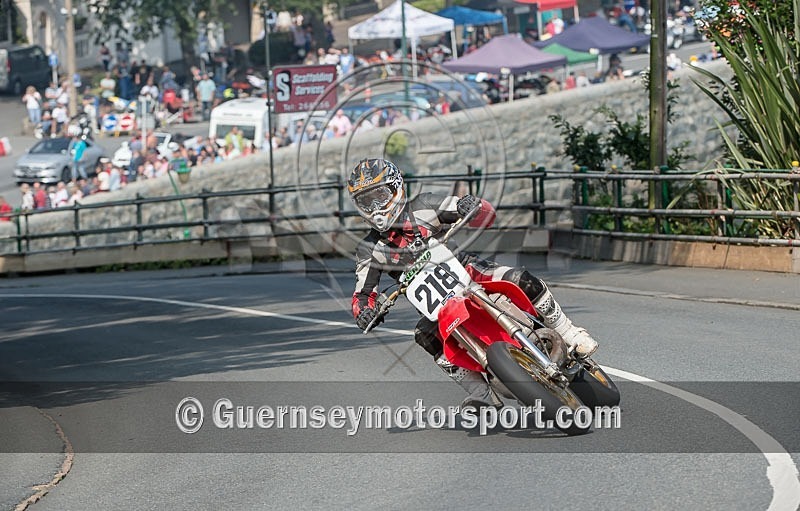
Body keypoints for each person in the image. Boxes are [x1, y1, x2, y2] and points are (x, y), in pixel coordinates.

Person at [347, 158, 599, 408]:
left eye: (380, 196)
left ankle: (568, 333)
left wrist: (470, 205)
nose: (375, 207)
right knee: (424, 336)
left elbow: (475, 210)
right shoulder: (369, 250)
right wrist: (364, 311)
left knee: (520, 279)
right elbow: (362, 293)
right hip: (438, 307)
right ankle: (481, 394)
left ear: (396, 188)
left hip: (470, 271)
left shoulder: (424, 206)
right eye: (366, 201)